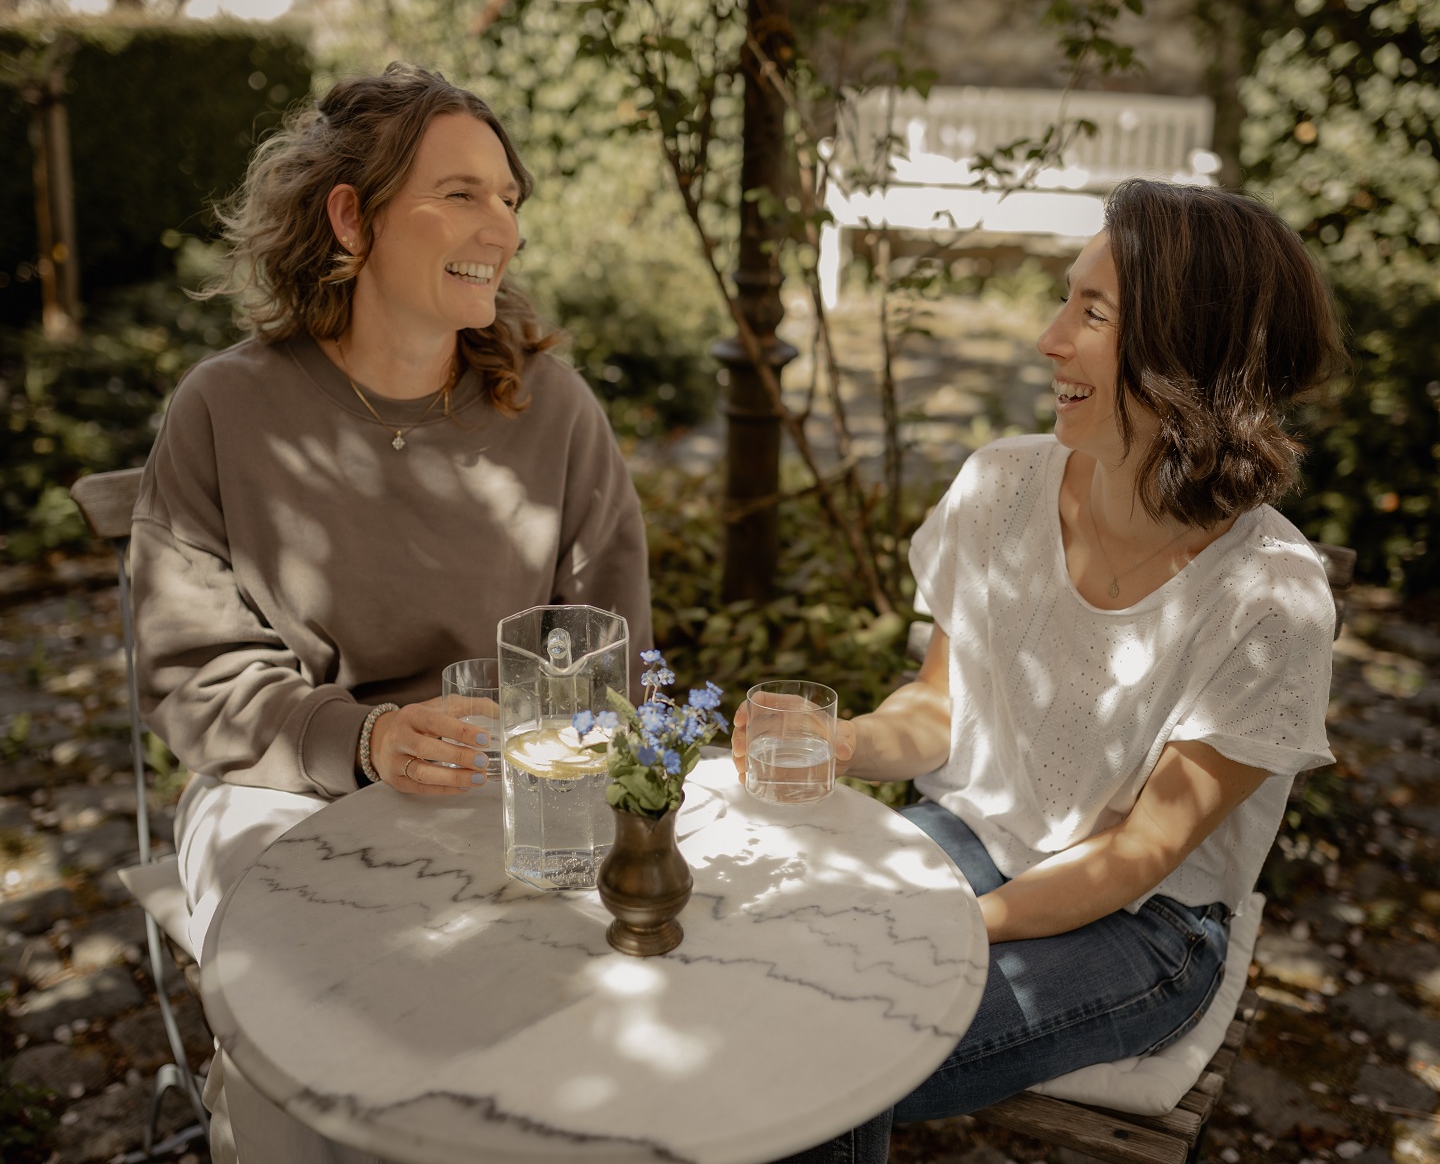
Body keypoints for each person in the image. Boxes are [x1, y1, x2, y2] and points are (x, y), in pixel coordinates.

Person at [732, 178, 1345, 1163]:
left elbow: (1138, 855)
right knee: (742, 968)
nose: (1048, 339)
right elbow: (939, 709)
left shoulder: (1271, 598)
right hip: (968, 837)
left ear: (1189, 353)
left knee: (840, 1038)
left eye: (1093, 314)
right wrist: (840, 742)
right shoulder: (1002, 485)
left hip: (1144, 928)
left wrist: (936, 928)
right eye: (1067, 300)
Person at [131, 63, 652, 1163]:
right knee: (299, 997)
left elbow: (610, 652)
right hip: (279, 787)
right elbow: (191, 675)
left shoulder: (552, 409)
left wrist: (542, 757)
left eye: (509, 198)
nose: (501, 227)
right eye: (460, 194)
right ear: (349, 218)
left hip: (507, 787)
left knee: (591, 999)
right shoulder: (225, 408)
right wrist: (364, 739)